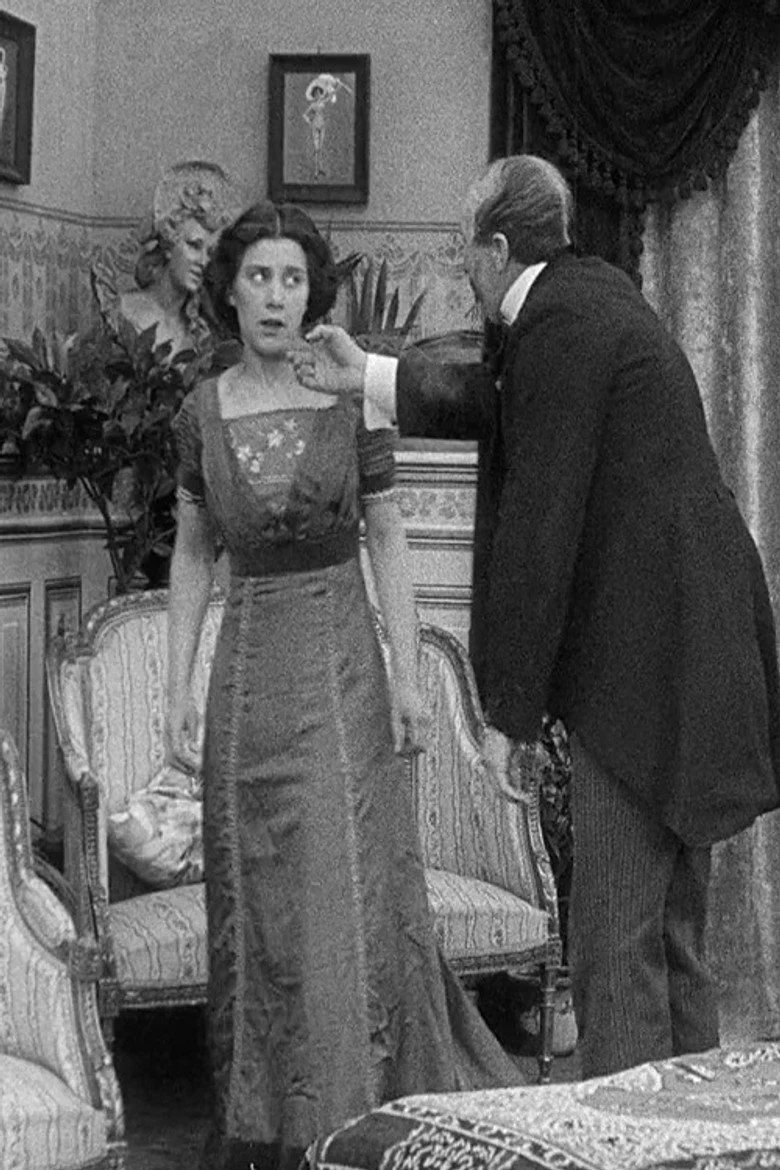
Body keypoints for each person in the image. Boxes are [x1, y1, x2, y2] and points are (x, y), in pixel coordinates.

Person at [290, 153, 780, 1079]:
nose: (461, 269)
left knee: (616, 942)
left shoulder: (559, 322)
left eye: (463, 250)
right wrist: (369, 376)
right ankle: (696, 1132)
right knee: (671, 934)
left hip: (643, 667)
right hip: (697, 646)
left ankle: (623, 1134)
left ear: (496, 249)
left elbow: (538, 527)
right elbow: (500, 402)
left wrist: (507, 716)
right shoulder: (588, 299)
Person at [166, 200, 523, 1170]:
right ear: (231, 292)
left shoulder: (348, 394)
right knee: (259, 904)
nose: (275, 297)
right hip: (245, 689)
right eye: (258, 277)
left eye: (292, 279)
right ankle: (268, 1123)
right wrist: (176, 691)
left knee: (337, 901)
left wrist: (410, 679)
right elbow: (193, 553)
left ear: (310, 294)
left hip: (339, 682)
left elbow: (389, 536)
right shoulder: (200, 412)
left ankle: (349, 1125)